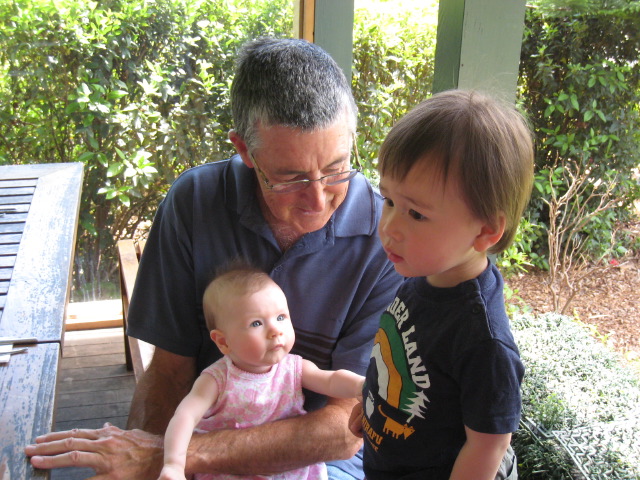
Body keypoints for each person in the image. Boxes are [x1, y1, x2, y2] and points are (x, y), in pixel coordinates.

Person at [26, 37, 402, 479]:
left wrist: (168, 456)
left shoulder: (386, 236)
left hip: (321, 460)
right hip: (208, 425)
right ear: (244, 151)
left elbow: (346, 425)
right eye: (290, 178)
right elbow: (170, 372)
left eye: (337, 168)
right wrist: (151, 464)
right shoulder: (195, 202)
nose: (318, 200)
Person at [349, 90, 533, 479]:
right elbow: (395, 356)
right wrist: (368, 405)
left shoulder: (483, 342)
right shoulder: (423, 274)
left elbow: (489, 445)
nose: (389, 227)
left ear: (485, 230)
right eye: (389, 200)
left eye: (416, 214)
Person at [159, 264, 365, 480]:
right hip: (229, 471)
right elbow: (185, 417)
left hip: (288, 470)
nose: (275, 330)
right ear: (223, 341)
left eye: (281, 317)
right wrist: (173, 464)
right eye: (256, 323)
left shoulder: (293, 368)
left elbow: (331, 380)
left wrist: (359, 386)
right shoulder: (216, 380)